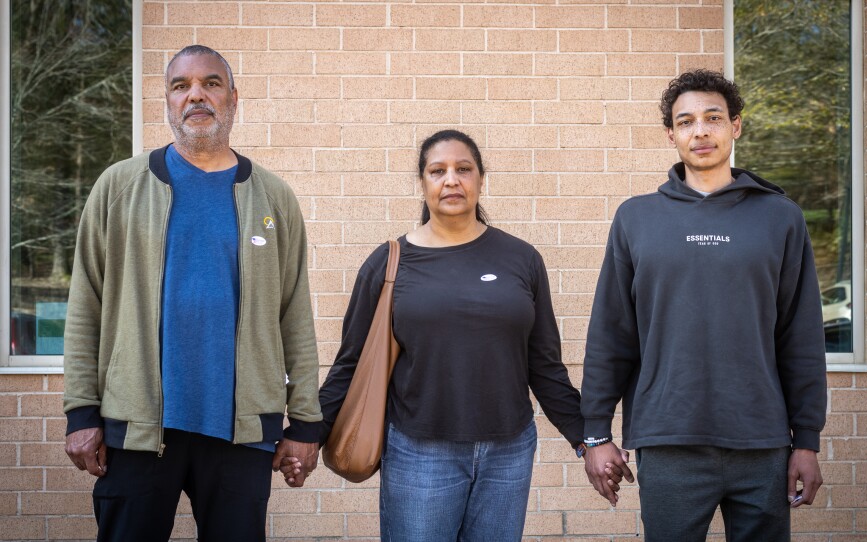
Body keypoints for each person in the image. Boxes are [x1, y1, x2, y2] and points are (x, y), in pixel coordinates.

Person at [62, 45, 322, 542]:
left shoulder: (273, 197)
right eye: (181, 86)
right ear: (167, 101)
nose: (196, 95)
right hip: (134, 428)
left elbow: (295, 316)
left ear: (233, 98)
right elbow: (85, 308)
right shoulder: (117, 188)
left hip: (242, 432)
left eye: (210, 83)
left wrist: (305, 421)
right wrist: (81, 411)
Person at [300, 129, 586, 540]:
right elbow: (352, 363)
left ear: (481, 180)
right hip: (419, 452)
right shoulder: (388, 263)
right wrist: (309, 435)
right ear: (422, 183)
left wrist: (586, 438)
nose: (451, 179)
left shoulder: (521, 259)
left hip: (509, 453)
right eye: (438, 170)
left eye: (463, 169)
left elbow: (544, 365)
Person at [580, 69, 827, 541]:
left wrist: (807, 440)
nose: (701, 131)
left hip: (762, 441)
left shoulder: (780, 218)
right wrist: (596, 433)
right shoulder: (636, 218)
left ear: (736, 125)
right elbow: (612, 331)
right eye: (686, 121)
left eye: (713, 118)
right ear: (671, 134)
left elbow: (801, 336)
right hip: (668, 437)